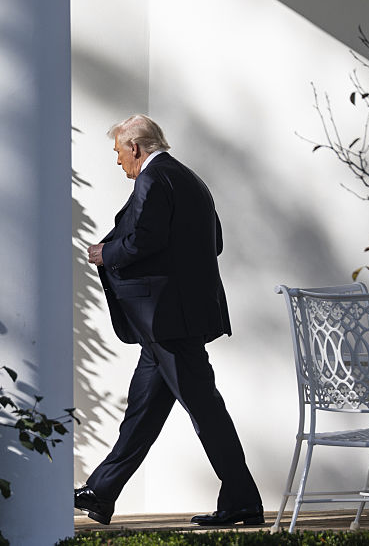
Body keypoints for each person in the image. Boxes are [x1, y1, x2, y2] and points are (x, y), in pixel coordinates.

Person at [74, 114, 262, 527]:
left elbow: (145, 238)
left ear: (135, 148)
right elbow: (215, 241)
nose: (118, 161)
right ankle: (102, 493)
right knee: (142, 412)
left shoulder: (153, 179)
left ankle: (244, 502)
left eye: (119, 152)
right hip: (170, 321)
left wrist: (108, 252)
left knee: (205, 409)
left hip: (166, 321)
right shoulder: (189, 178)